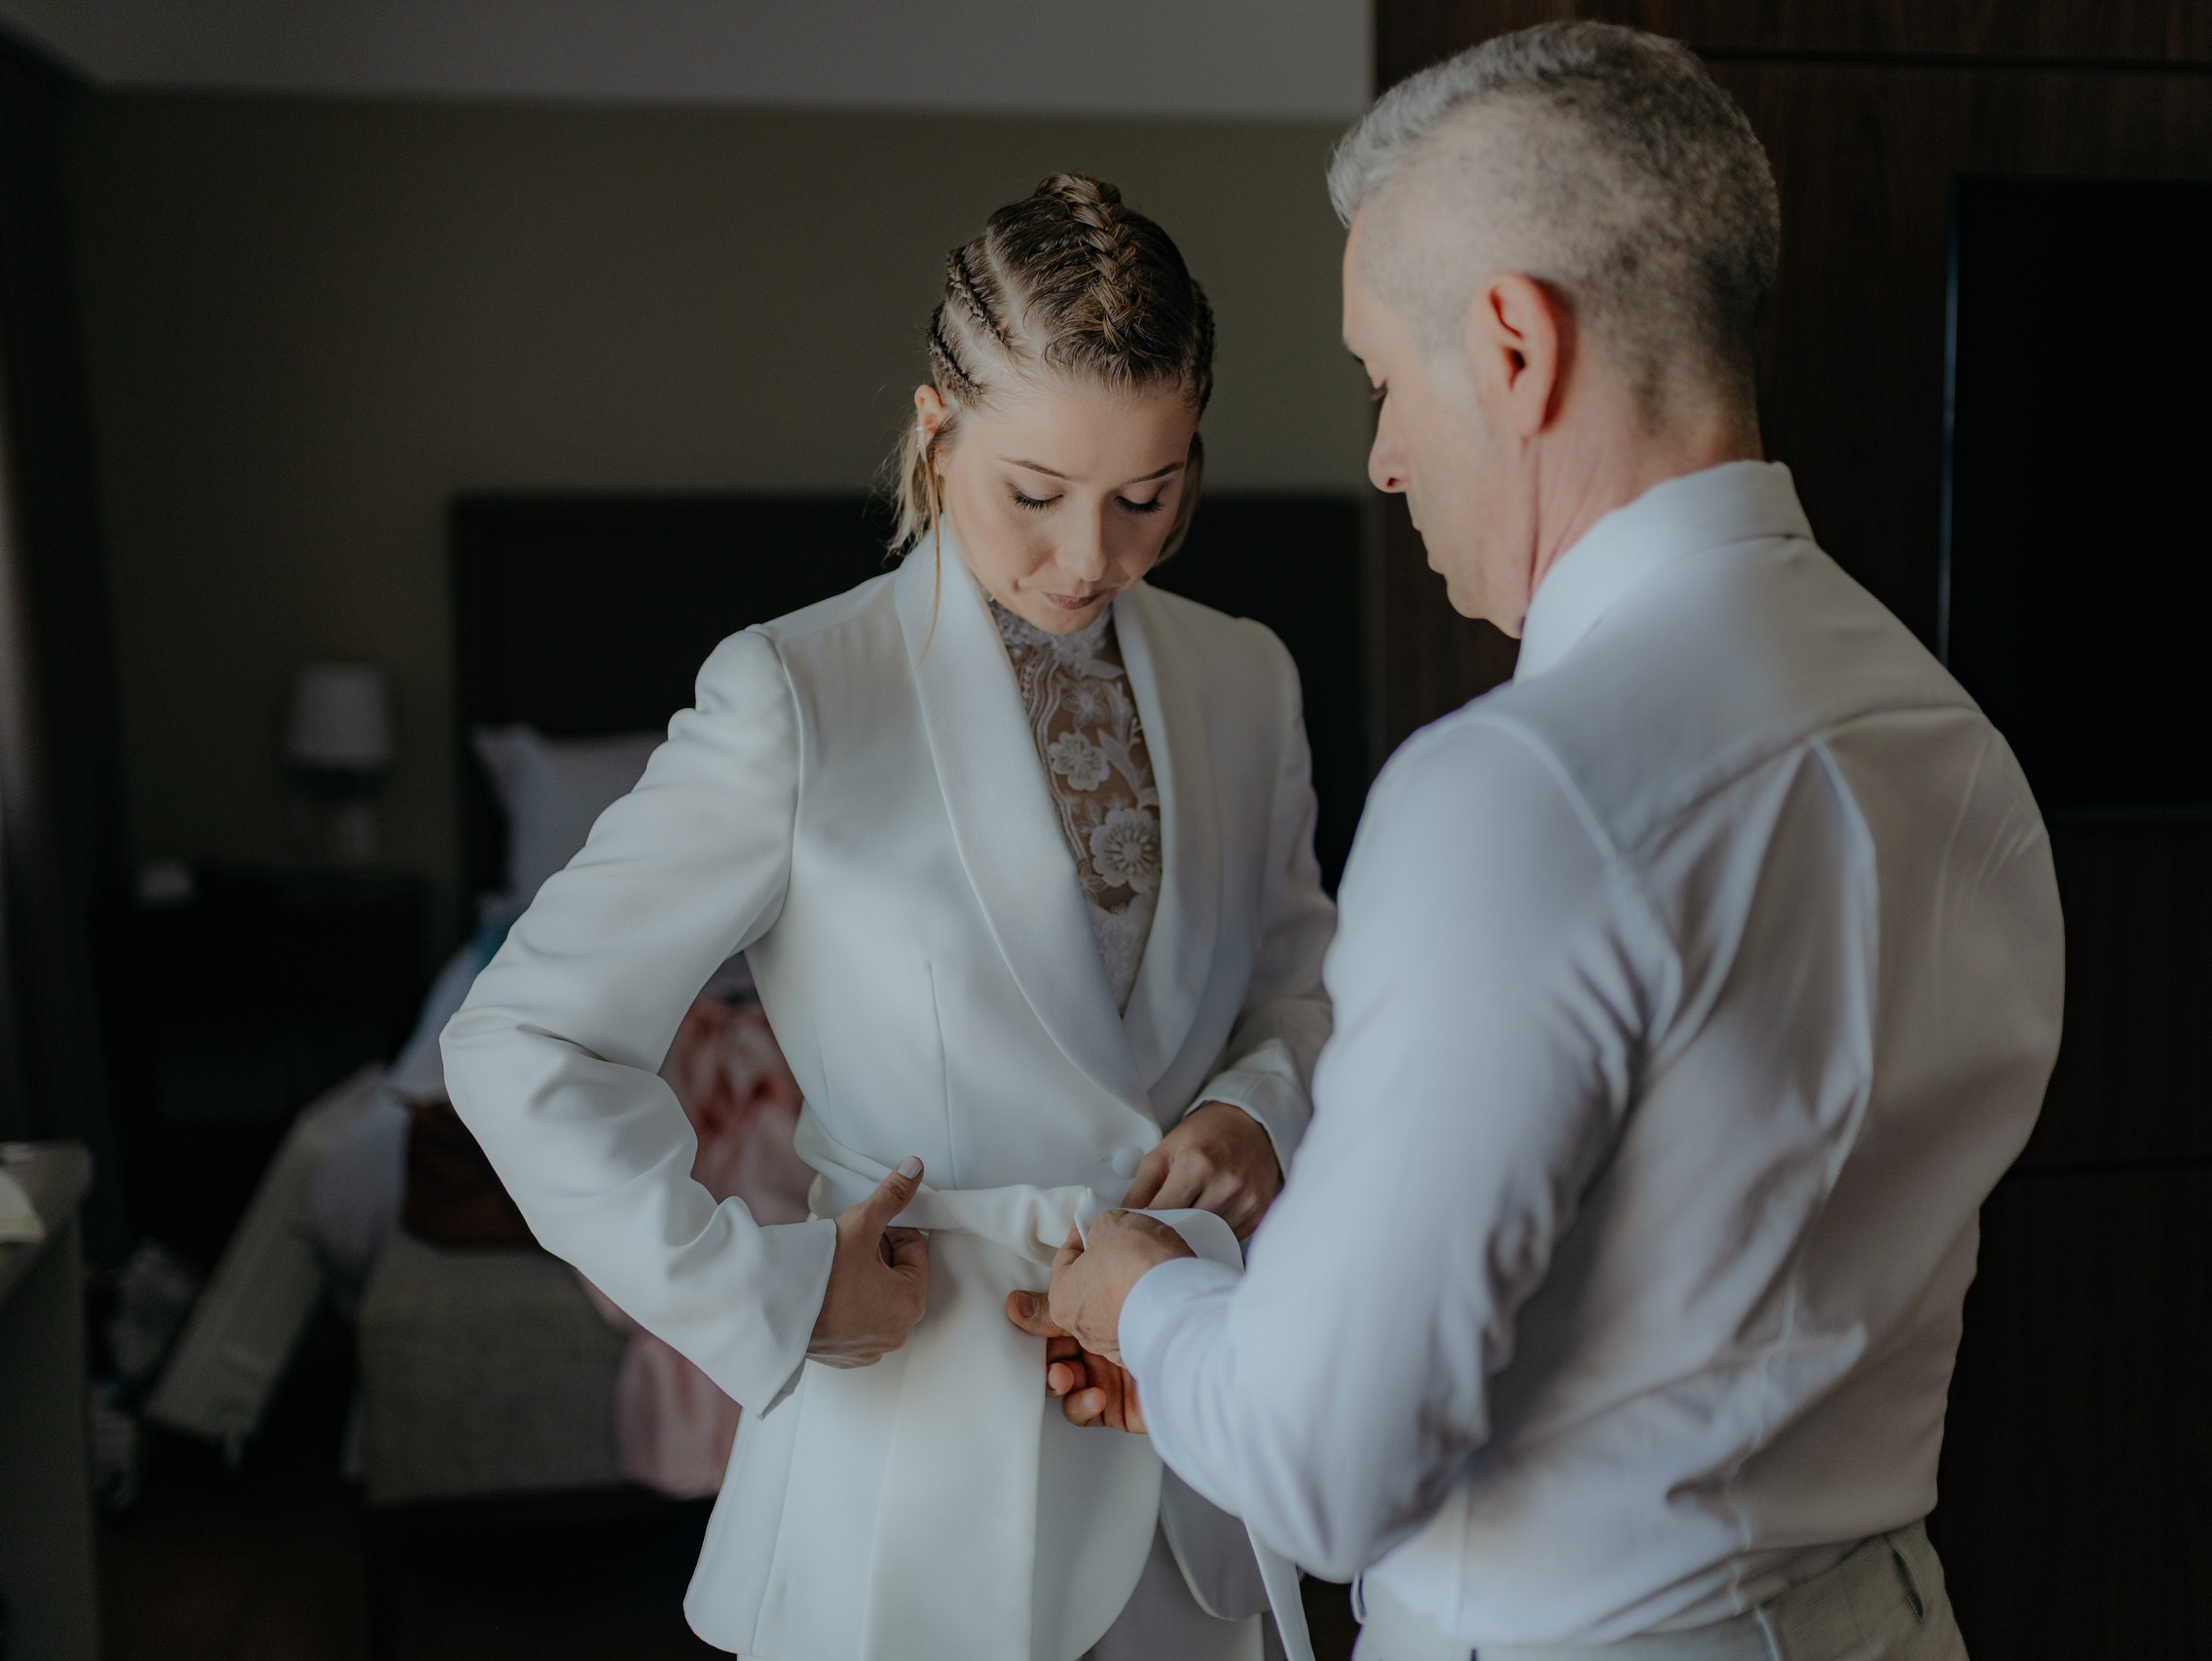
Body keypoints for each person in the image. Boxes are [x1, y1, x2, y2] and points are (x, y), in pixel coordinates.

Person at [1030, 25, 2065, 1661]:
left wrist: (1140, 1293)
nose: (1379, 454)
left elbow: (1324, 1463)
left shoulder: (1518, 793)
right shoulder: (1951, 740)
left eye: (1385, 375)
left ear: (1513, 345)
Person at [440, 173, 1333, 1661]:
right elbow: (520, 1038)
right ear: (937, 431)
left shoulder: (1250, 677)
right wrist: (769, 1290)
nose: (1088, 558)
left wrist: (1258, 1112)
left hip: (1189, 1460)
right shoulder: (796, 694)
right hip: (914, 1494)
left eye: (1147, 497)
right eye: (1034, 493)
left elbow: (1305, 980)